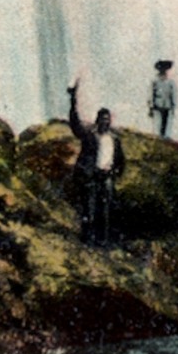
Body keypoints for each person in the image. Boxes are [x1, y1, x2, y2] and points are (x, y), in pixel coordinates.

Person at [67, 80, 124, 247]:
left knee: (104, 212)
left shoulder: (114, 139)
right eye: (102, 119)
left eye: (107, 119)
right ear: (97, 120)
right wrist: (72, 102)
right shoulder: (89, 136)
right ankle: (87, 240)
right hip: (91, 176)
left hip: (106, 177)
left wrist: (114, 173)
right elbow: (75, 125)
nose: (105, 122)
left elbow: (120, 160)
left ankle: (102, 241)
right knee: (88, 208)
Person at [149, 60, 176, 139]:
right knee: (158, 122)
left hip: (167, 105)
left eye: (165, 69)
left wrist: (173, 105)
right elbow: (151, 94)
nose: (163, 71)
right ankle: (158, 136)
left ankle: (164, 136)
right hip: (158, 104)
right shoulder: (155, 81)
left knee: (166, 122)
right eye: (162, 69)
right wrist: (151, 106)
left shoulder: (170, 82)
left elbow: (172, 94)